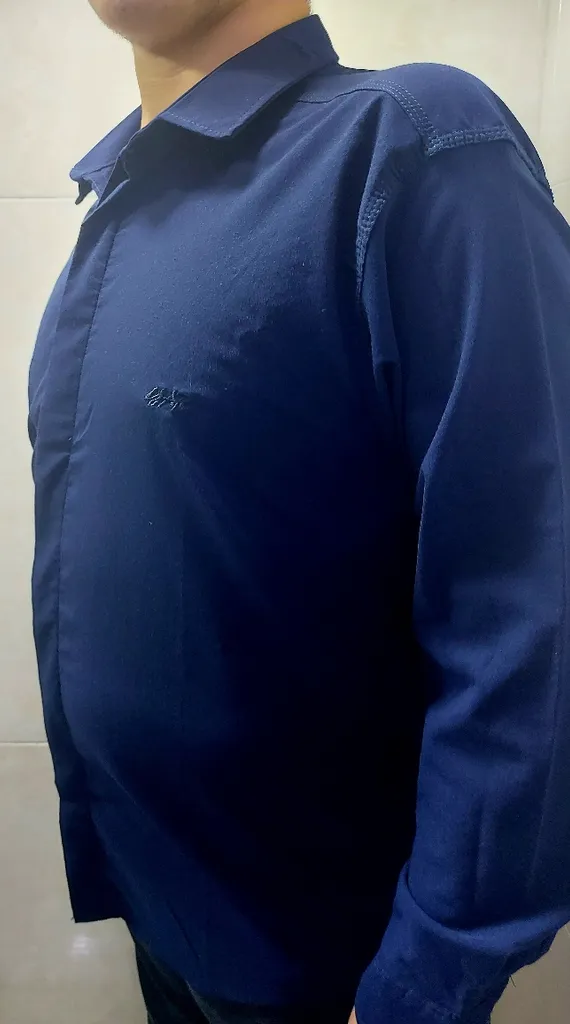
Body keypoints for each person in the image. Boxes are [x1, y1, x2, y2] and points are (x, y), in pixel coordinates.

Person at [28, 1, 570, 1022]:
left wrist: (426, 982)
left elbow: (535, 604)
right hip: (166, 917)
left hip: (330, 973)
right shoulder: (117, 203)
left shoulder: (411, 144)